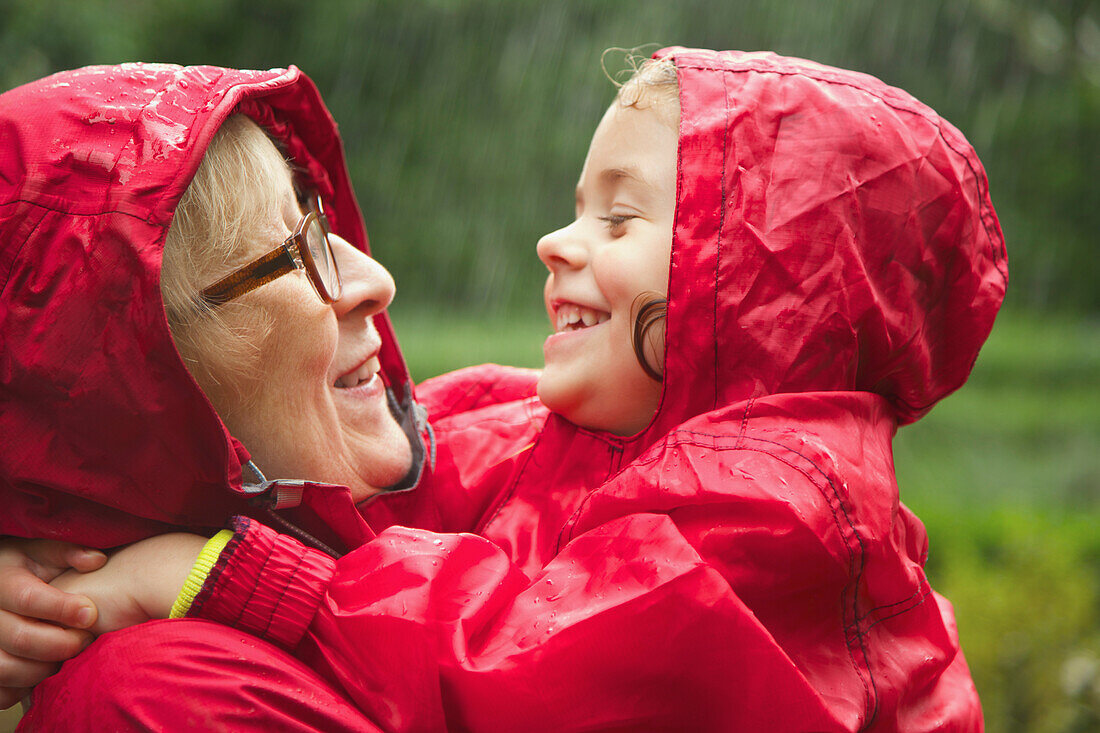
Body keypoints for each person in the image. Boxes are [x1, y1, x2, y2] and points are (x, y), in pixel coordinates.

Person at [12, 47, 1007, 731]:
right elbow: (403, 494)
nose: (554, 242)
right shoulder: (541, 426)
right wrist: (47, 545)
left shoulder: (776, 500)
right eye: (297, 250)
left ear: (749, 284)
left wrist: (210, 573)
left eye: (620, 220)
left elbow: (528, 671)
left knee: (143, 687)